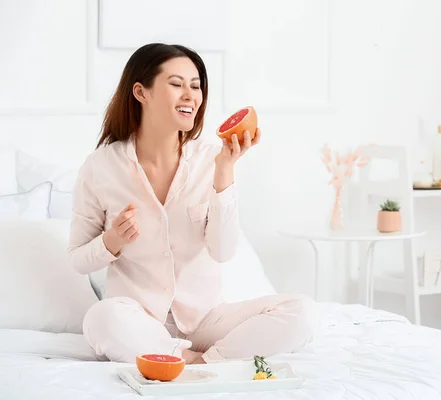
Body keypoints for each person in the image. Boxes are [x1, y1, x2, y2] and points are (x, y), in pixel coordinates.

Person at [67, 43, 316, 364]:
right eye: (176, 84)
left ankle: (192, 362)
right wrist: (112, 241)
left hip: (205, 321)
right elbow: (77, 260)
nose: (191, 95)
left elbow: (223, 251)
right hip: (139, 320)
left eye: (196, 86)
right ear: (141, 92)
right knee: (101, 318)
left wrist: (225, 172)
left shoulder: (211, 158)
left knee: (302, 312)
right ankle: (202, 360)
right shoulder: (99, 167)